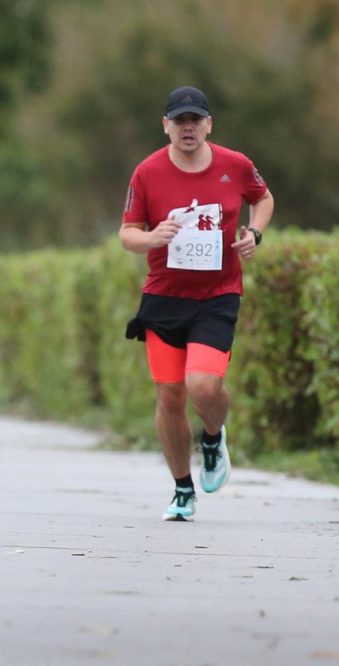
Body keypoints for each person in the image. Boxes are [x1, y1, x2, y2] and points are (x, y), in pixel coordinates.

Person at [119, 86, 274, 523]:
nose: (188, 128)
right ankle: (182, 489)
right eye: (179, 120)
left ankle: (211, 436)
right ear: (166, 125)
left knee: (203, 386)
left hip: (217, 295)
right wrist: (151, 238)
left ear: (209, 124)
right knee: (170, 395)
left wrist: (255, 233)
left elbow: (263, 198)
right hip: (164, 297)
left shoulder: (235, 165)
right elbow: (127, 232)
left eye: (195, 120)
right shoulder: (147, 172)